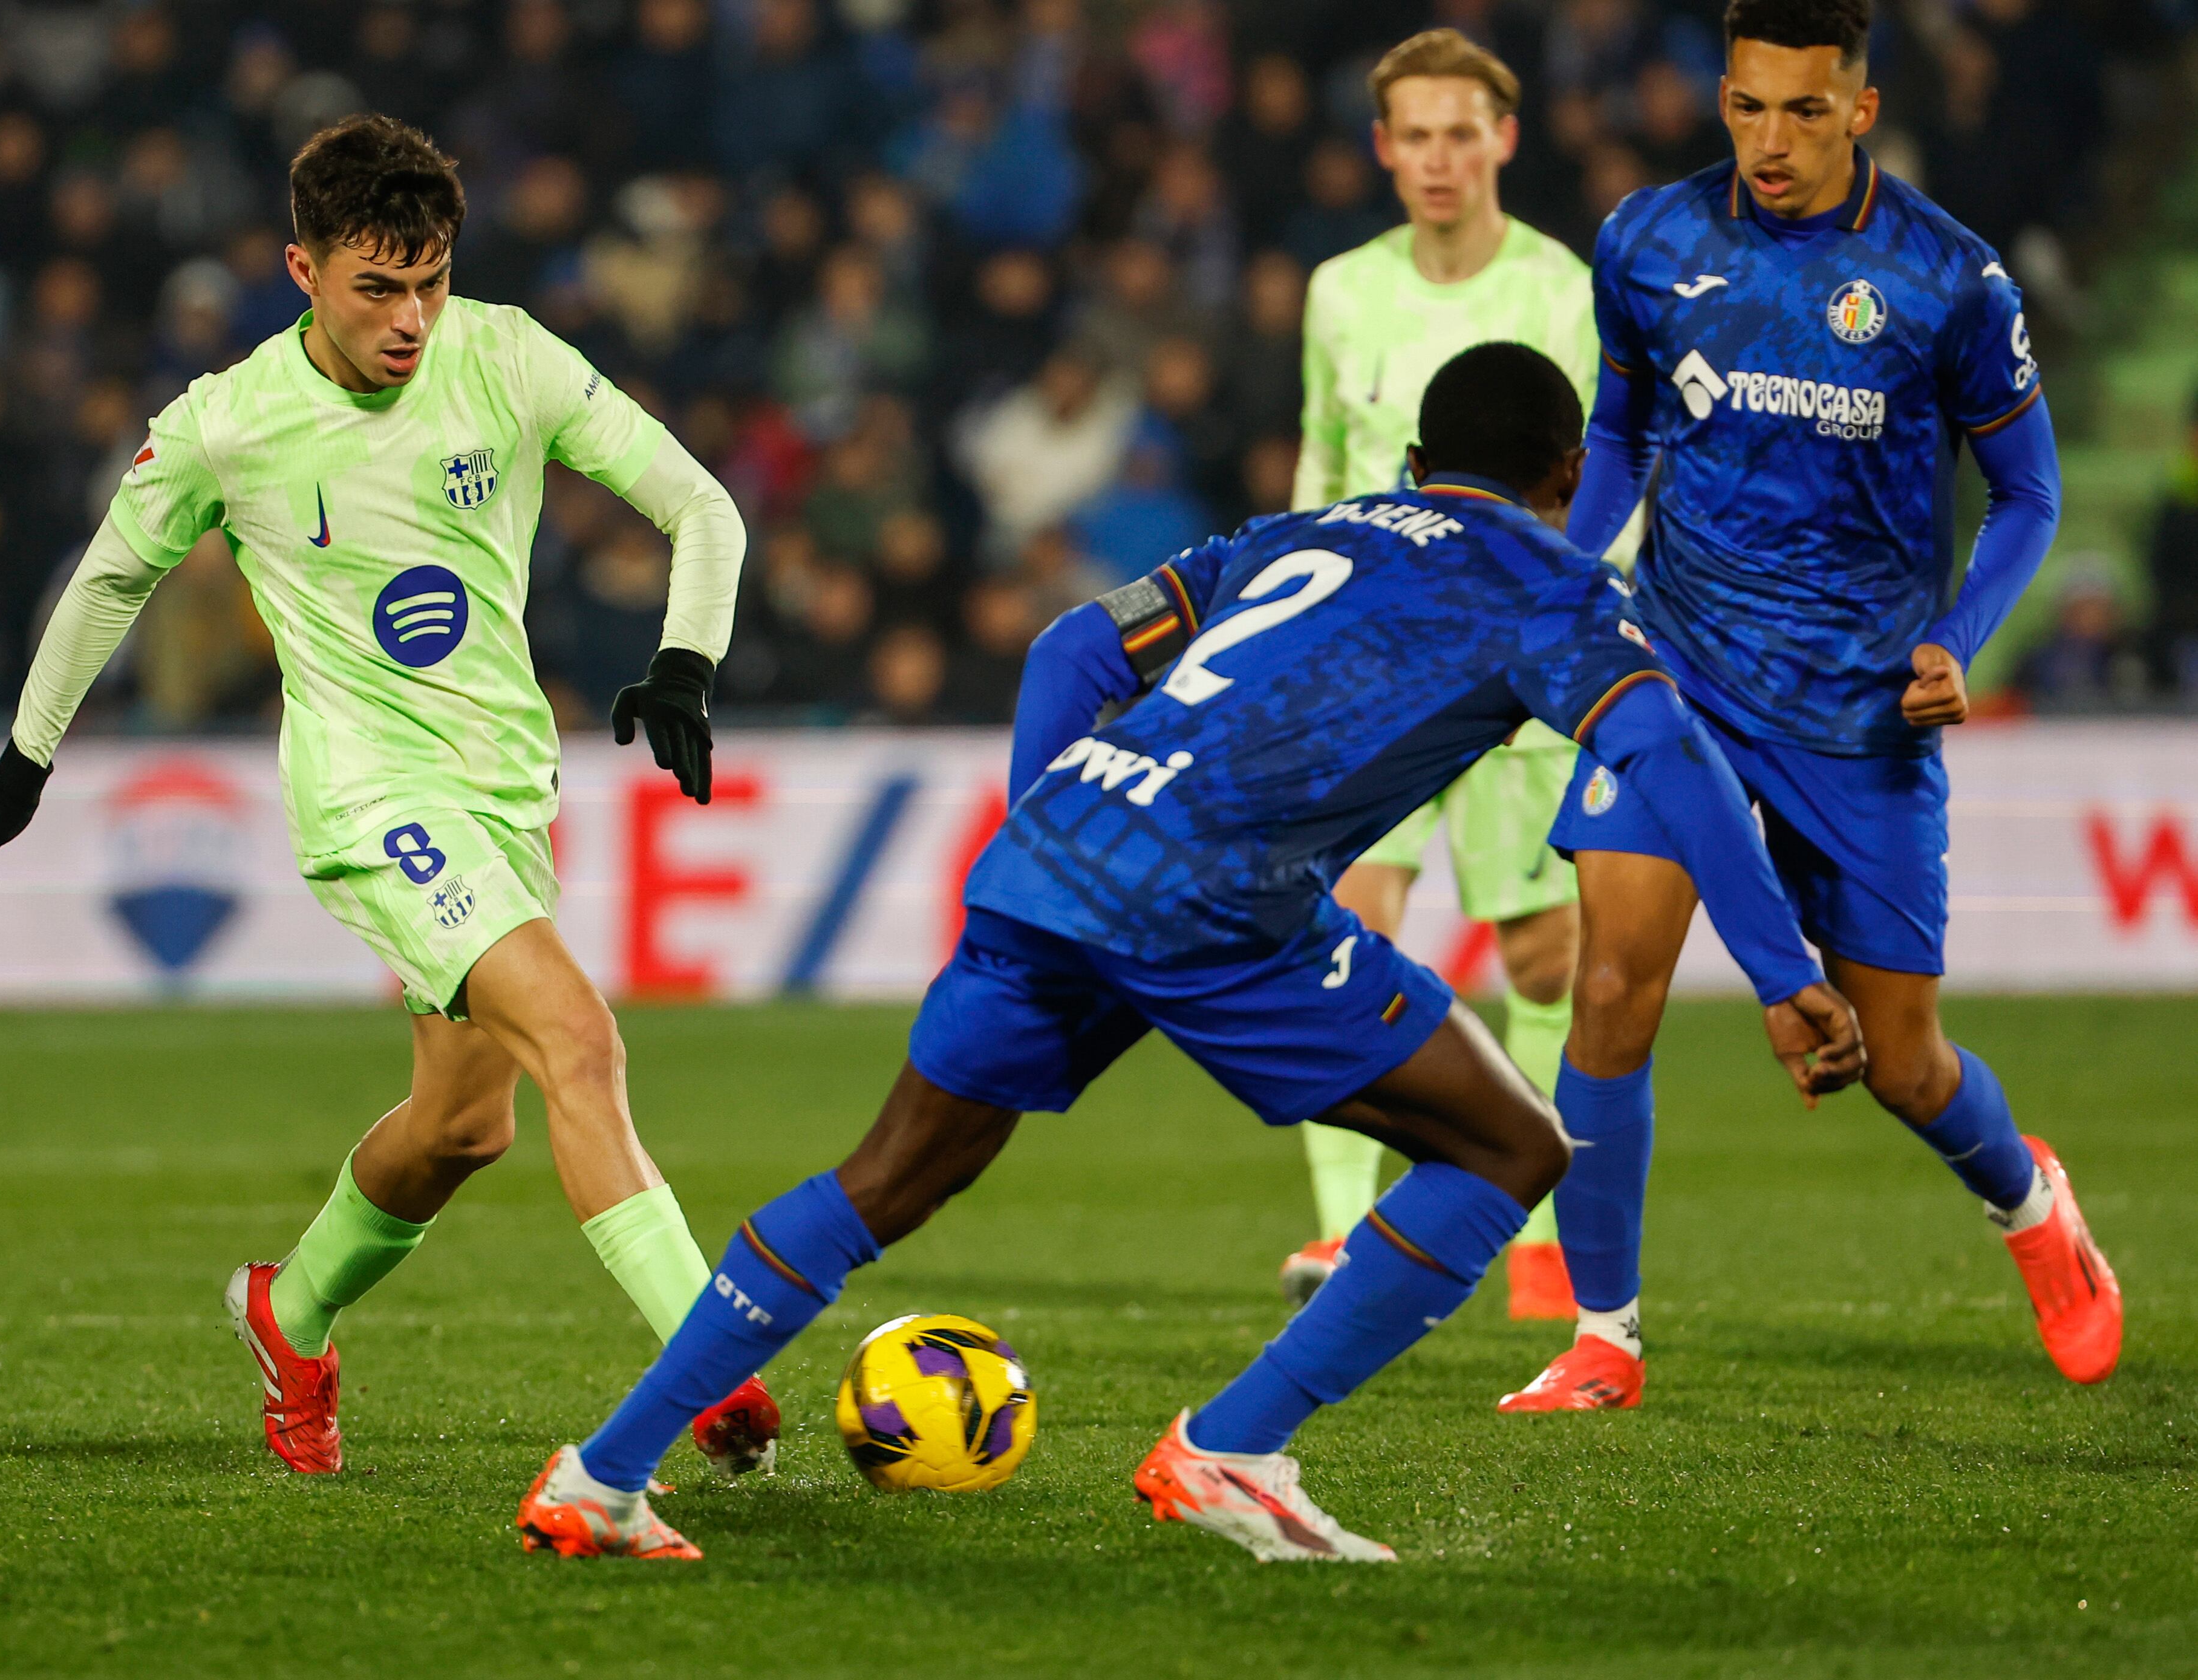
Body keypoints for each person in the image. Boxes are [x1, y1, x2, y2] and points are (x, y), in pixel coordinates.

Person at [515, 343, 1865, 1564]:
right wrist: (1786, 969)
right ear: (1569, 477)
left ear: (1409, 467)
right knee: (1508, 1149)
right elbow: (1666, 757)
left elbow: (1071, 644)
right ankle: (1232, 1448)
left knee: (882, 1180)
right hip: (1217, 895)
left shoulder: (1303, 532)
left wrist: (1063, 817)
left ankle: (604, 1474)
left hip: (1058, 858)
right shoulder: (1552, 587)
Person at [0, 116, 782, 1479]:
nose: (410, 318)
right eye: (377, 288)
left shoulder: (507, 356)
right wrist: (26, 760)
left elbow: (704, 510)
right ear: (302, 270)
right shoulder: (231, 424)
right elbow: (107, 579)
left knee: (463, 1127)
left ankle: (292, 1309)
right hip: (367, 794)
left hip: (503, 790)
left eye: (429, 281)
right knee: (580, 1040)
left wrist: (685, 660)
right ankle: (705, 1363)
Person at [1502, 0, 2117, 1415]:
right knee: (1608, 988)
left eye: (1801, 112)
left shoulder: (1946, 280)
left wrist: (1960, 637)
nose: (1767, 143)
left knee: (1901, 1065)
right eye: (1746, 108)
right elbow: (1621, 427)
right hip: (1678, 671)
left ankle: (2030, 1203)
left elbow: (2028, 493)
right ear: (1719, 94)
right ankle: (1604, 1338)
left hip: (1860, 713)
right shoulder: (1649, 241)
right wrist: (1563, 565)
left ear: (1861, 109)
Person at [1283, 29, 1622, 1321]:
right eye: (1412, 135)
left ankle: (1527, 1230)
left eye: (1457, 132)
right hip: (1371, 666)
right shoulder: (1339, 293)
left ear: (1502, 140)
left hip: (1515, 666)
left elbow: (1604, 480)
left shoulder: (1561, 292)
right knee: (1345, 935)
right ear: (1382, 148)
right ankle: (1339, 1236)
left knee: (1543, 957)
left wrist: (1568, 620)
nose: (1435, 157)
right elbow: (1321, 460)